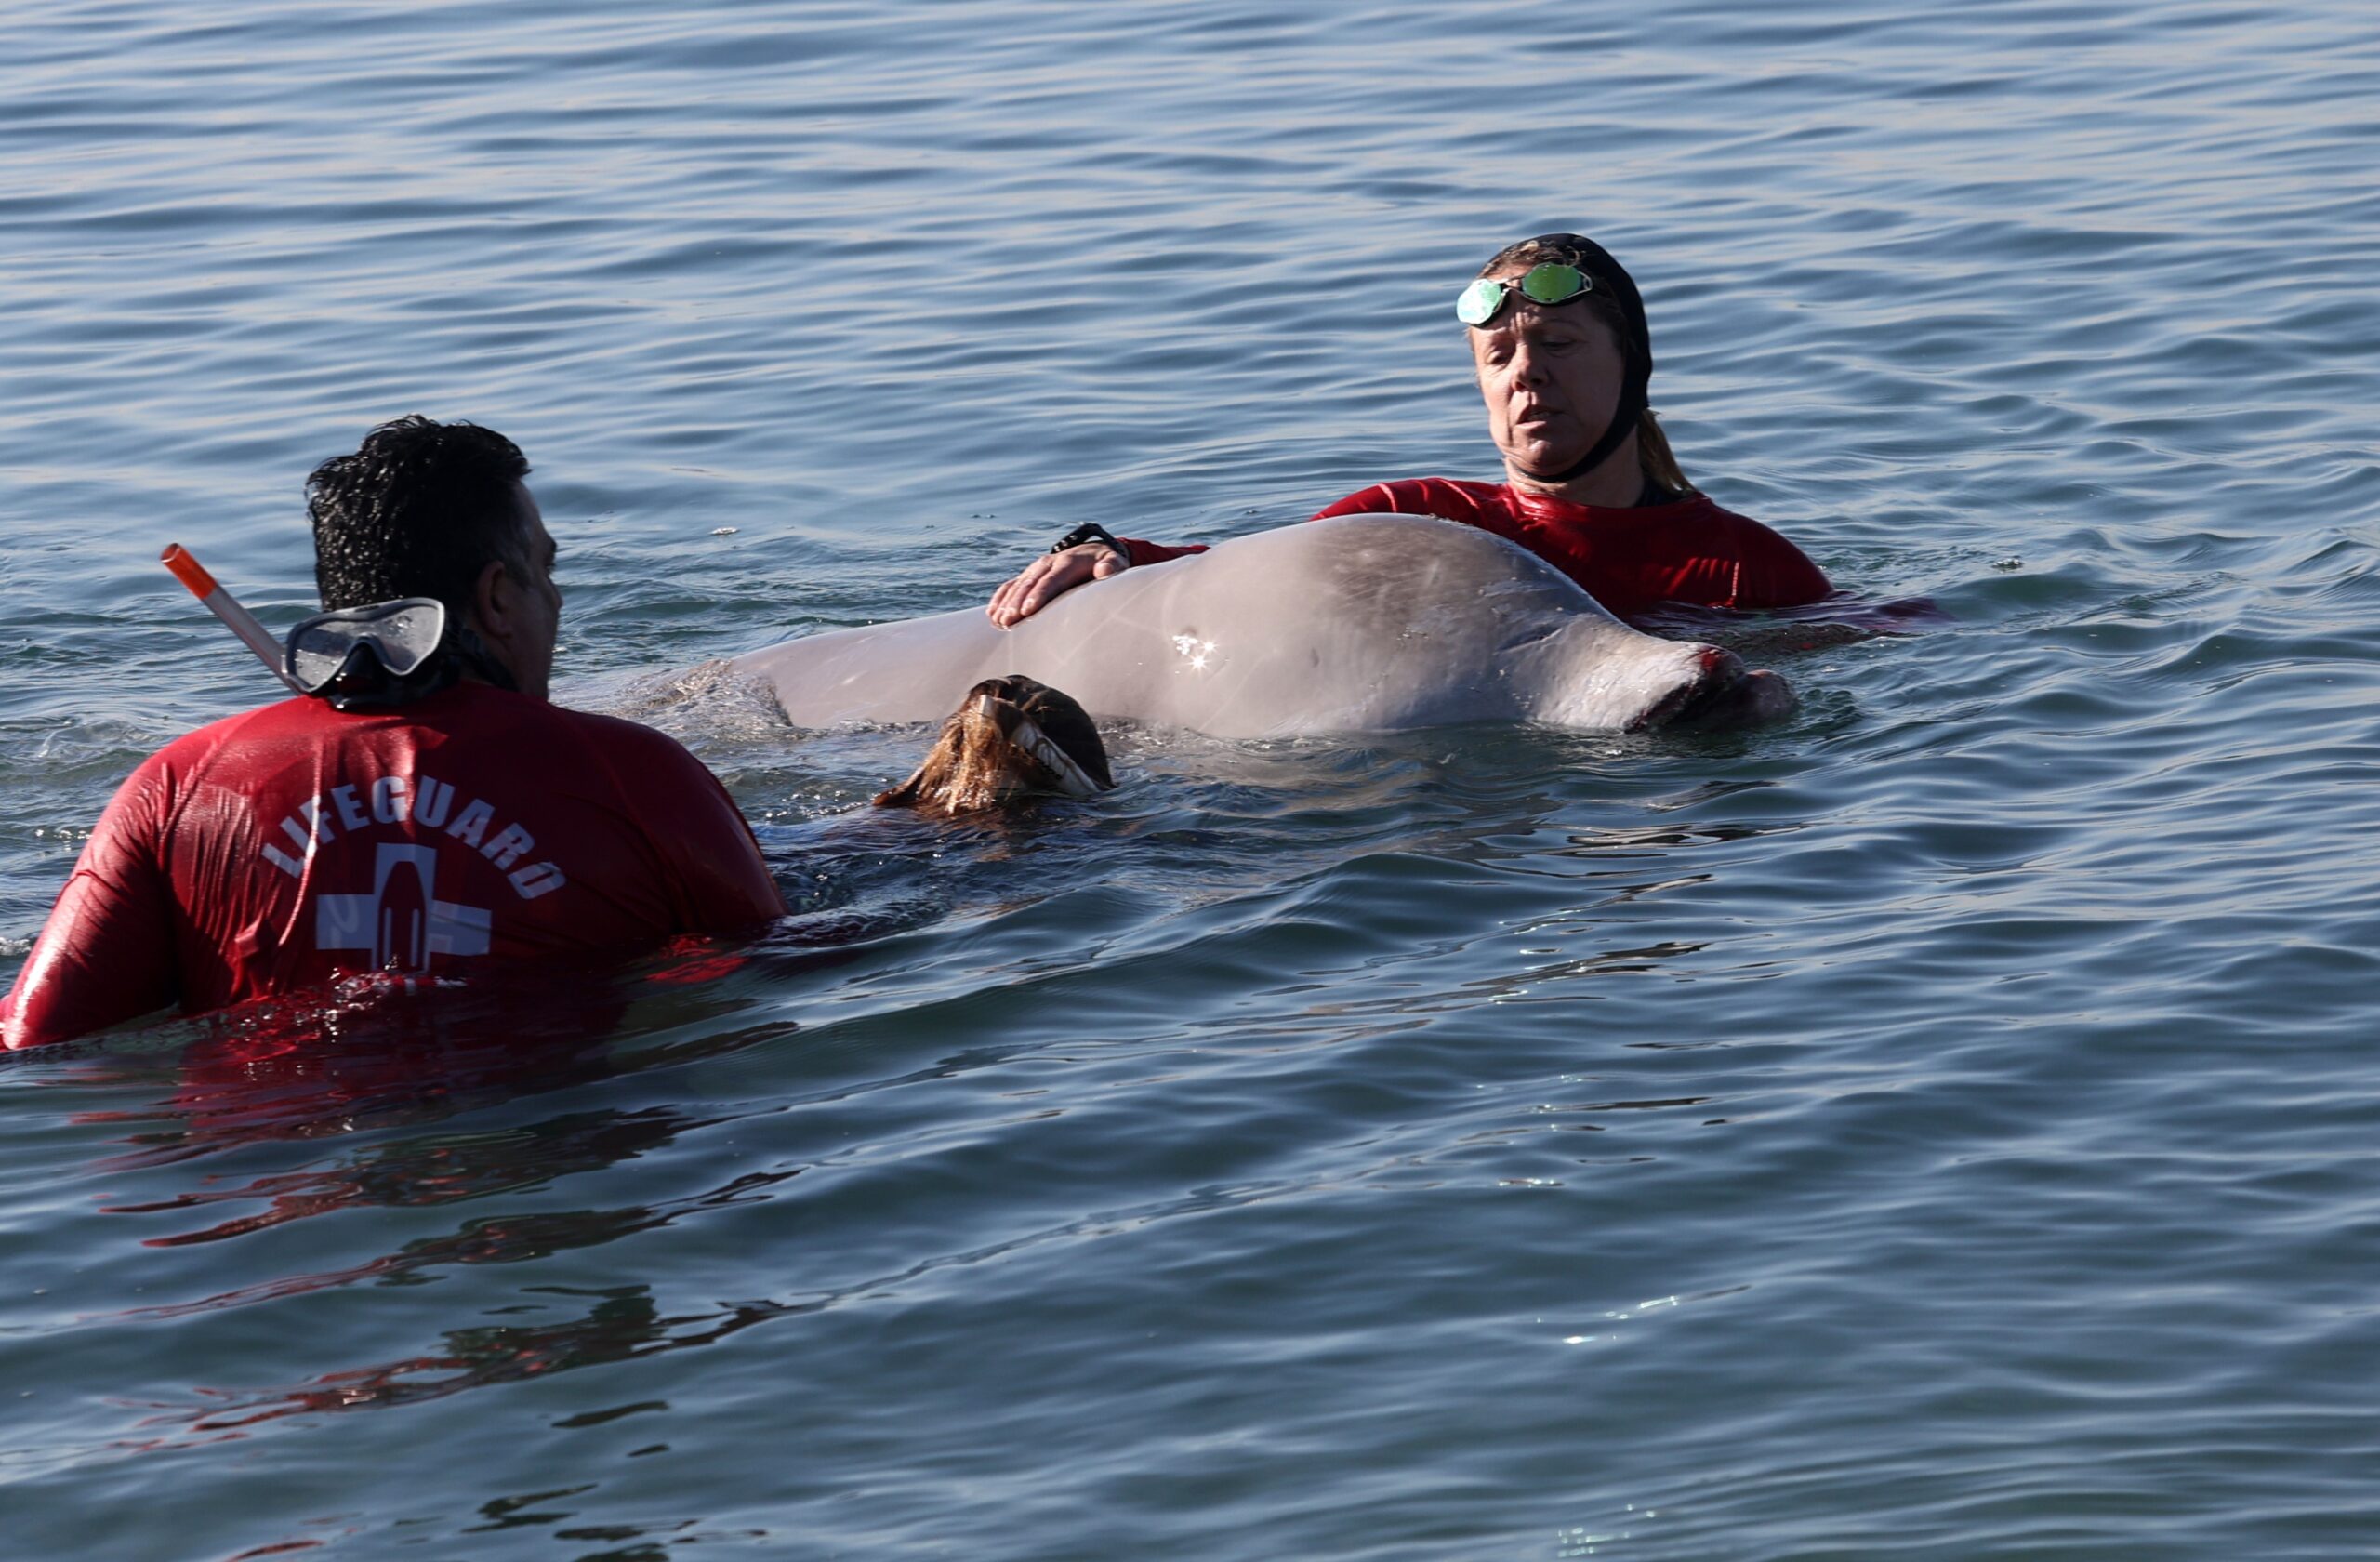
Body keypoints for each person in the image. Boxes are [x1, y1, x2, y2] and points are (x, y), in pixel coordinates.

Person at [1, 417, 787, 1051]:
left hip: (275, 1194)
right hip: (554, 1157)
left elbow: (38, 1038)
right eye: (545, 573)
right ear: (499, 596)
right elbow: (772, 970)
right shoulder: (632, 772)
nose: (556, 600)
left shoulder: (174, 787)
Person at [986, 232, 1831, 629]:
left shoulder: (1744, 566)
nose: (1526, 374)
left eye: (1560, 347)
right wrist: (1123, 557)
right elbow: (1248, 578)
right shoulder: (1414, 520)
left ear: (1635, 366)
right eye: (1497, 356)